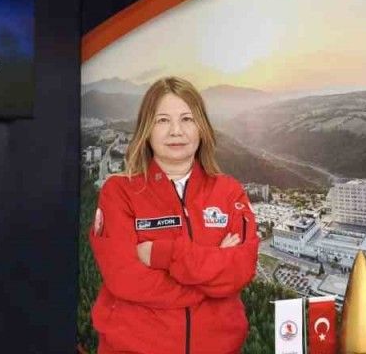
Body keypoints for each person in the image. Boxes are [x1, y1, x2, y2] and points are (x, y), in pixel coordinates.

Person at [89, 77, 259, 354]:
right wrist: (210, 278)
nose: (176, 131)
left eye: (187, 119)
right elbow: (126, 279)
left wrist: (165, 255)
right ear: (147, 129)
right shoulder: (119, 192)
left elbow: (241, 268)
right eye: (163, 120)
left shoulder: (229, 192)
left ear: (202, 127)